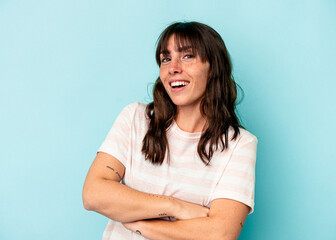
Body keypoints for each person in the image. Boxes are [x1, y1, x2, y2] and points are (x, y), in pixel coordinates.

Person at [82, 21, 258, 240]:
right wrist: (175, 207)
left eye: (187, 56)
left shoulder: (240, 145)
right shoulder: (135, 118)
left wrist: (139, 225)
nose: (173, 68)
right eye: (166, 59)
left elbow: (220, 234)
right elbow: (93, 194)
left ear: (214, 67)